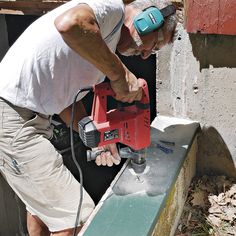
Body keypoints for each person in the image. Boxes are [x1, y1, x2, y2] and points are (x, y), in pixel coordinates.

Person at [0, 0, 177, 235]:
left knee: (43, 208)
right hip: (13, 117)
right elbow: (70, 23)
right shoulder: (110, 9)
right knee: (77, 217)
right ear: (146, 21)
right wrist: (119, 74)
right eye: (153, 46)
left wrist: (100, 135)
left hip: (27, 118)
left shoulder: (100, 46)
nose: (145, 55)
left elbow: (66, 102)